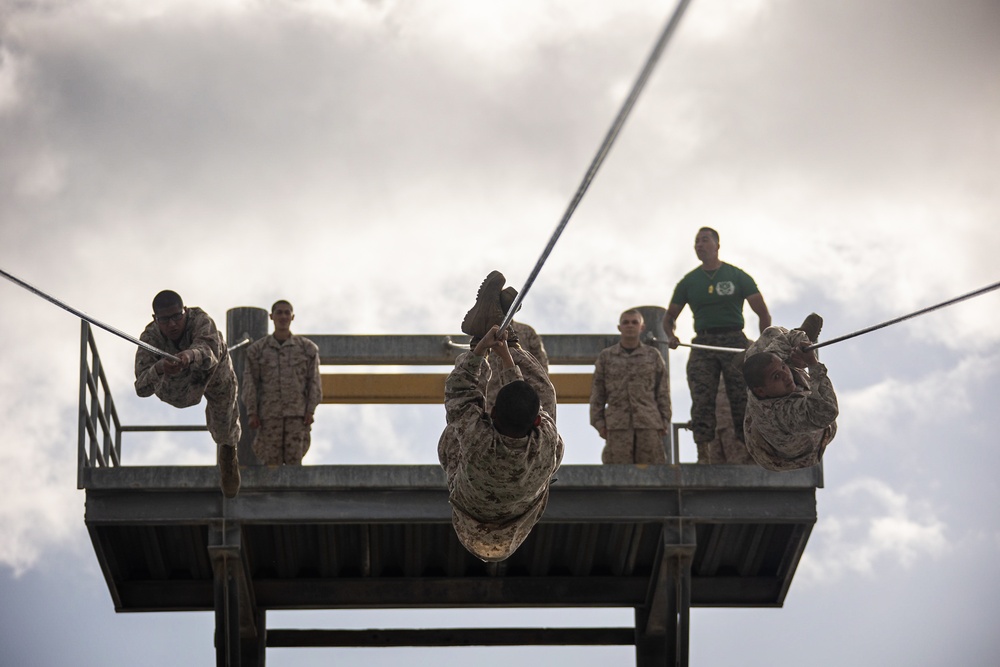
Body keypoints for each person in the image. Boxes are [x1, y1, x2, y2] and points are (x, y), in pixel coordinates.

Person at [441, 272, 563, 562]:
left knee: (544, 398)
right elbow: (459, 392)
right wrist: (481, 350)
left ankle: (502, 333)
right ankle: (488, 330)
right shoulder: (479, 439)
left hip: (491, 519)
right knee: (458, 422)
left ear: (493, 414)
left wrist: (505, 349)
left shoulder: (548, 446)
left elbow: (542, 391)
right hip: (471, 512)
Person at [663, 227, 771, 464]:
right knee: (702, 399)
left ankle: (752, 454)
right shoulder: (689, 282)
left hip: (734, 340)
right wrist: (671, 335)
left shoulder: (736, 276)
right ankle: (704, 456)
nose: (699, 245)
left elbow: (762, 312)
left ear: (717, 245)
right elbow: (669, 317)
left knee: (742, 398)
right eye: (696, 242)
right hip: (703, 343)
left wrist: (763, 342)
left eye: (704, 240)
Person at [134, 290, 241, 497]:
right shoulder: (149, 338)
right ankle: (172, 370)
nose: (172, 324)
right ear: (155, 319)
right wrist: (160, 368)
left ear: (185, 311)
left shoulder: (200, 320)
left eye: (177, 316)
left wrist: (190, 355)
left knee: (224, 417)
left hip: (212, 369)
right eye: (165, 319)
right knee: (173, 392)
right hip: (178, 384)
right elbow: (141, 388)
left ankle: (228, 452)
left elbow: (208, 352)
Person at [742, 317, 838, 471]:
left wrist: (801, 345)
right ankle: (791, 361)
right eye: (777, 376)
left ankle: (791, 358)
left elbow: (785, 339)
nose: (786, 376)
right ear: (761, 390)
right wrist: (813, 364)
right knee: (811, 396)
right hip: (795, 449)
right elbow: (826, 410)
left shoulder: (767, 380)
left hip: (765, 414)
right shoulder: (782, 414)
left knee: (762, 345)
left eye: (783, 367)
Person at [241, 300, 322, 465]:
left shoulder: (307, 349)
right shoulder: (257, 350)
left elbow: (314, 381)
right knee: (271, 464)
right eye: (279, 312)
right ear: (271, 316)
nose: (283, 316)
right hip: (269, 415)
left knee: (294, 464)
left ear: (293, 316)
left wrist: (310, 410)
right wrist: (252, 412)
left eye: (287, 313)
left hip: (297, 415)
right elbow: (250, 383)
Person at [589, 308, 671, 464]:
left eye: (635, 322)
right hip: (617, 426)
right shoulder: (607, 357)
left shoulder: (653, 356)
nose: (630, 326)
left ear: (642, 327)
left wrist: (665, 420)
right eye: (625, 322)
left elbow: (663, 391)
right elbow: (597, 393)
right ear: (619, 327)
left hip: (649, 425)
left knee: (652, 477)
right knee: (617, 478)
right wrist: (599, 423)